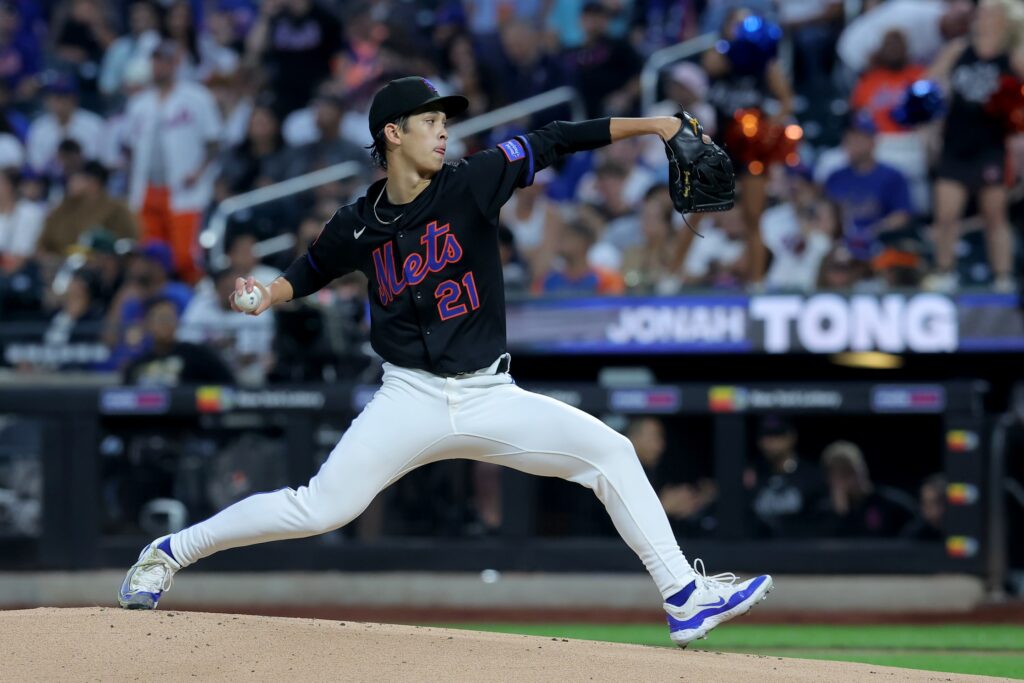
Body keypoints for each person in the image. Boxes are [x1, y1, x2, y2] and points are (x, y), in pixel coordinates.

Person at [118, 75, 772, 648]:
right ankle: (170, 551)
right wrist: (269, 293)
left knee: (612, 453)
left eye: (444, 121)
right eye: (430, 121)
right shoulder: (356, 222)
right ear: (393, 134)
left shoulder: (473, 181)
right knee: (318, 508)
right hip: (408, 397)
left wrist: (656, 124)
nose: (443, 131)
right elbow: (313, 267)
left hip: (490, 394)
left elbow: (557, 138)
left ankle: (683, 595)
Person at [925, 0, 1024, 292]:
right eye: (981, 13)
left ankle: (1002, 278)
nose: (984, 19)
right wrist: (931, 118)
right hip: (956, 143)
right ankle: (945, 272)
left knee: (995, 216)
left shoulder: (1013, 56)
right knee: (946, 216)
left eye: (991, 14)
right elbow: (928, 84)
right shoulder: (959, 50)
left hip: (991, 146)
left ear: (1004, 19)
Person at [124, 41, 222, 284]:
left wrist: (199, 173)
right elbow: (130, 148)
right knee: (151, 256)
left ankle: (196, 299)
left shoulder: (197, 97)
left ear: (176, 64)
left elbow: (214, 142)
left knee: (185, 257)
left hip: (184, 189)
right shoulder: (139, 104)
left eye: (165, 60)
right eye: (155, 60)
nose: (159, 66)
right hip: (147, 190)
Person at [823, 112, 914, 266]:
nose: (851, 143)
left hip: (880, 246)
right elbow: (824, 213)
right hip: (839, 246)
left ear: (873, 141)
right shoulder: (835, 177)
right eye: (848, 138)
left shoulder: (892, 176)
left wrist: (872, 232)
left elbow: (902, 216)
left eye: (858, 137)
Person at [123, 296, 235, 386]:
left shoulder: (198, 355)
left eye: (170, 318)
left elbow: (228, 385)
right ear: (147, 324)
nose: (167, 324)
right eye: (161, 318)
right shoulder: (137, 365)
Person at [36, 161, 138, 259]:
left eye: (78, 179)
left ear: (94, 183)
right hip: (56, 263)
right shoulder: (63, 207)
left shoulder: (116, 209)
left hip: (96, 265)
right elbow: (44, 242)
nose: (71, 183)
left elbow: (129, 243)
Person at [746, 415, 826, 538]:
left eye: (777, 435)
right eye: (765, 435)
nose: (770, 442)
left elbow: (820, 522)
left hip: (799, 545)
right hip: (758, 545)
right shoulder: (751, 474)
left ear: (792, 437)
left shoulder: (811, 475)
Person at [818, 441, 915, 538]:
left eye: (850, 471)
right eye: (840, 474)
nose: (848, 479)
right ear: (829, 478)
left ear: (862, 469)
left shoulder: (892, 505)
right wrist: (840, 514)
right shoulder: (823, 512)